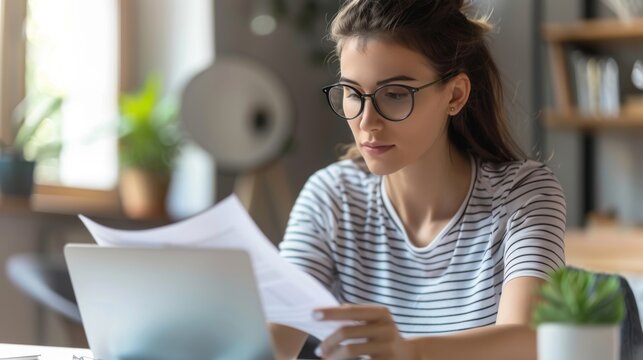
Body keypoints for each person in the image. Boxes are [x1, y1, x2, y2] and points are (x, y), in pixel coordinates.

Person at [272, 0, 566, 359]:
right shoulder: (331, 196)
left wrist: (409, 352)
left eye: (395, 95)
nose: (366, 122)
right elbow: (275, 336)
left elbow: (528, 341)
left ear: (455, 95)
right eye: (352, 92)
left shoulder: (524, 193)